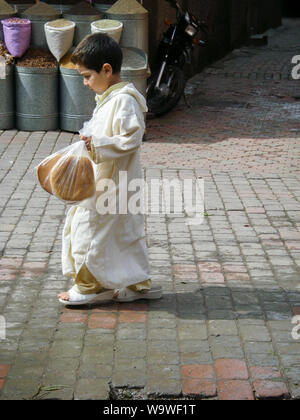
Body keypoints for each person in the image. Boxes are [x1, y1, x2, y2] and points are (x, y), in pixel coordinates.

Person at [58, 33, 162, 306]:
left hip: (114, 182)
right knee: (122, 231)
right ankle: (135, 283)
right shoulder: (109, 97)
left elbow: (131, 138)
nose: (84, 83)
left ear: (106, 70)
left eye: (87, 76)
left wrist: (97, 144)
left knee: (92, 229)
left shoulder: (124, 100)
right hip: (111, 179)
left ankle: (91, 286)